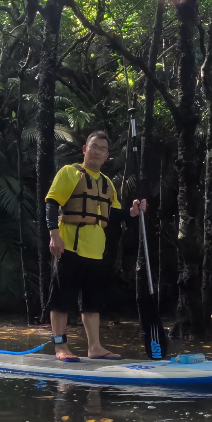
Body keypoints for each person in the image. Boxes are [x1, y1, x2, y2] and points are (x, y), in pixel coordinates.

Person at [44, 130, 146, 361]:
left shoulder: (107, 184)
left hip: (95, 252)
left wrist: (132, 212)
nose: (98, 151)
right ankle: (60, 347)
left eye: (103, 148)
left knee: (92, 303)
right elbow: (51, 203)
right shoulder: (70, 172)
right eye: (94, 146)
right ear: (85, 149)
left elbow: (114, 214)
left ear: (107, 155)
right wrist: (54, 235)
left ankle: (95, 347)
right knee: (61, 301)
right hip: (69, 247)